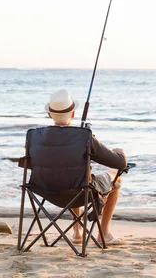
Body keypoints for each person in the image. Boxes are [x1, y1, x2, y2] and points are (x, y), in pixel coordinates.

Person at [45, 89, 127, 246]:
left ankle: (77, 232)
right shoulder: (83, 136)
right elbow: (118, 163)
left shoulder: (37, 137)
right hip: (80, 190)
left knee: (70, 179)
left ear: (49, 114)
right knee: (116, 180)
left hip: (46, 190)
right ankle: (105, 233)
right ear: (73, 114)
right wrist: (120, 152)